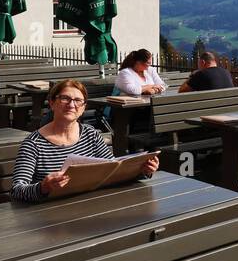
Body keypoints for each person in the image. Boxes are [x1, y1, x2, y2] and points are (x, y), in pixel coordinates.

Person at [10, 79, 159, 203]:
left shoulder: (90, 134)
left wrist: (143, 171)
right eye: (65, 98)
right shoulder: (34, 143)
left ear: (83, 108)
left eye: (78, 101)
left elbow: (113, 171)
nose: (71, 104)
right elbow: (17, 190)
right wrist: (43, 187)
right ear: (52, 103)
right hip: (50, 214)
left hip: (91, 205)